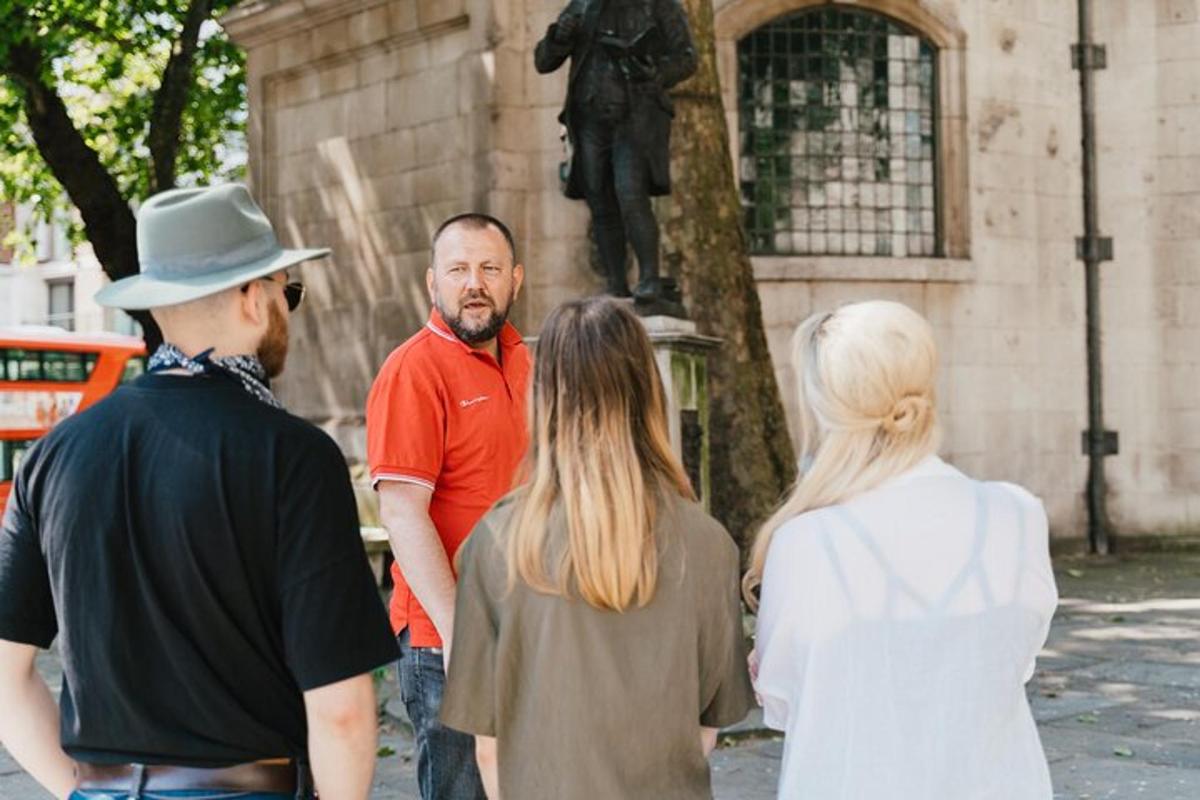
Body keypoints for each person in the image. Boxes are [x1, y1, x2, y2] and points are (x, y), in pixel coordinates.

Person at [0, 184, 399, 800]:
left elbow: (5, 677)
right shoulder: (294, 456)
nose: (288, 311)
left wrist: (87, 790)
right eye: (287, 293)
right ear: (251, 297)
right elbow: (341, 709)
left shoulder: (54, 454)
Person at [440, 297, 755, 799]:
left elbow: (488, 745)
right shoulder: (709, 543)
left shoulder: (498, 540)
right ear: (649, 392)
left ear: (543, 398)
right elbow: (705, 731)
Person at [745, 301, 1058, 799]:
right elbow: (1015, 662)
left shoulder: (804, 542)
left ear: (826, 407)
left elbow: (782, 701)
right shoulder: (1018, 515)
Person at [366, 213, 531, 800]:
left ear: (515, 278)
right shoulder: (414, 370)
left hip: (527, 626)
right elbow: (403, 512)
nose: (474, 283)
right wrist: (462, 631)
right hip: (446, 640)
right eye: (458, 269)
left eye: (488, 268)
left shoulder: (527, 363)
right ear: (432, 283)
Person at [535, 0, 697, 303]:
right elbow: (544, 61)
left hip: (634, 118)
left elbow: (687, 58)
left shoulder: (659, 5)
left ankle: (649, 278)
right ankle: (615, 284)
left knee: (630, 193)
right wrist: (559, 36)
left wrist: (656, 72)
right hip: (588, 120)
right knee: (599, 201)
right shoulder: (582, 5)